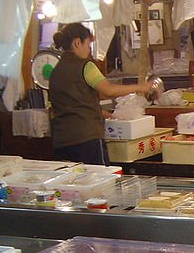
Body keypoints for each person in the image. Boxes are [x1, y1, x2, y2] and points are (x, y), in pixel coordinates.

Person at [48, 23, 152, 166]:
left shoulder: (56, 71)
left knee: (72, 185)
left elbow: (75, 103)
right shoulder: (85, 65)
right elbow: (108, 90)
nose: (89, 50)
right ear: (77, 43)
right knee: (100, 182)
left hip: (61, 141)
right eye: (88, 44)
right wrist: (141, 87)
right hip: (87, 139)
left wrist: (106, 115)